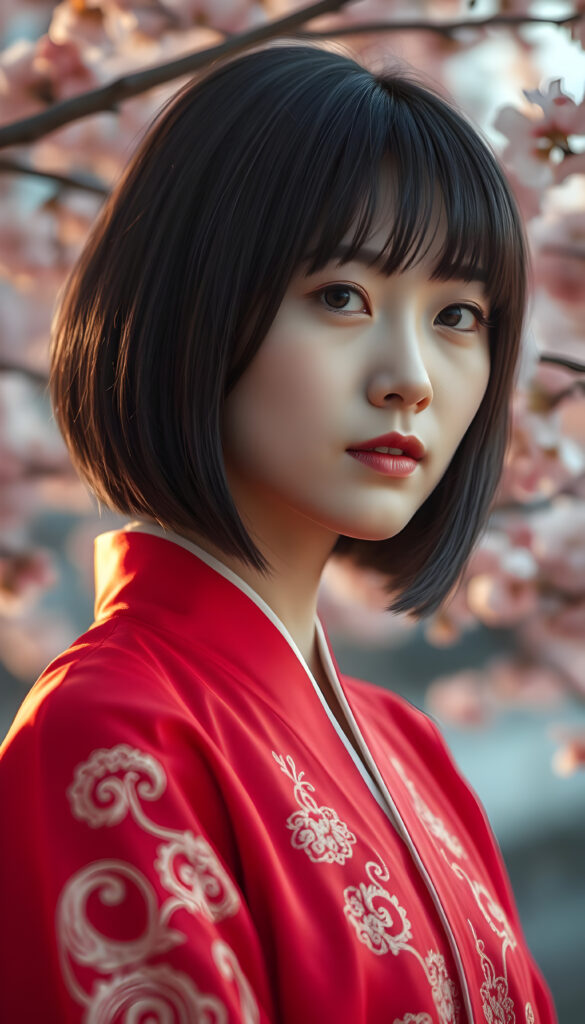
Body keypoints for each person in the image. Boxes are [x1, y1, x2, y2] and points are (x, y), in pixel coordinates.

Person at [0, 42, 556, 1024]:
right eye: (342, 295)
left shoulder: (410, 750)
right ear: (195, 305)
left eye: (460, 313)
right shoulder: (115, 739)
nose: (411, 375)